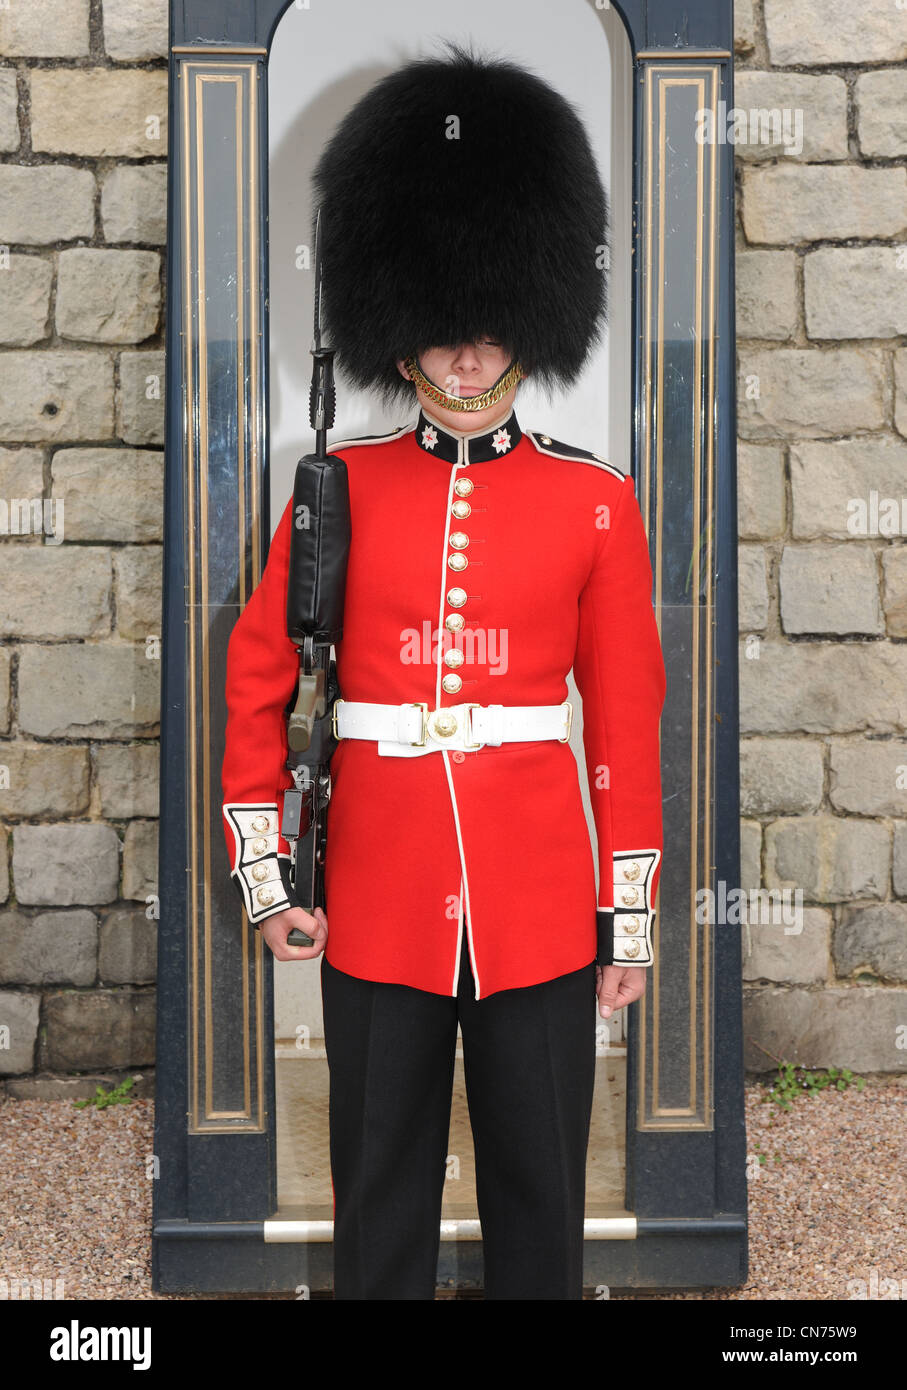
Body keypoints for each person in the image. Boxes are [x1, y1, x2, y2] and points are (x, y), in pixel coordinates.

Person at [220, 44, 666, 1300]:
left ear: (524, 329)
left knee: (542, 1195)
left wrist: (623, 916)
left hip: (535, 901)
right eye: (440, 341)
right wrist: (269, 883)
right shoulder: (338, 492)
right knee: (379, 1190)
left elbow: (624, 716)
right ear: (397, 340)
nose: (465, 367)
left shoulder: (594, 504)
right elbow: (261, 686)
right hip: (376, 888)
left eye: (486, 339)